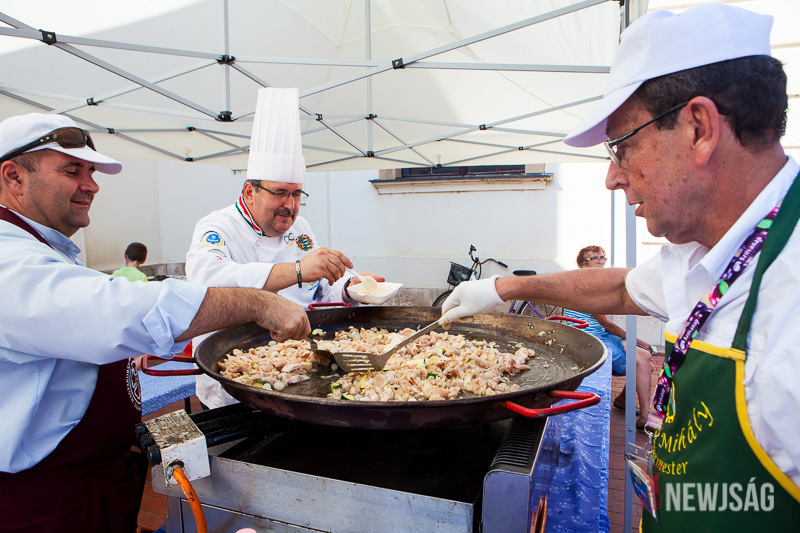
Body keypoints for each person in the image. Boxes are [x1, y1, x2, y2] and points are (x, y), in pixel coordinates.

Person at [440, 4, 800, 529]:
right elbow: (619, 288)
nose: (612, 177)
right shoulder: (713, 250)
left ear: (698, 128)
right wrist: (502, 287)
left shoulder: (789, 304)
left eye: (623, 147)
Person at [0, 112, 311, 533]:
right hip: (45, 499)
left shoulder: (45, 249)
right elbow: (118, 310)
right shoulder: (8, 257)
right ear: (14, 177)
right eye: (73, 171)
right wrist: (260, 303)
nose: (91, 186)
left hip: (93, 481)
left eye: (91, 172)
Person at [186, 87, 383, 409]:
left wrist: (349, 288)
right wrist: (298, 270)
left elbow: (320, 289)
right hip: (237, 375)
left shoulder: (299, 228)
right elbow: (209, 282)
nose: (290, 206)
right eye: (279, 193)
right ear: (249, 192)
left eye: (296, 194)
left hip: (301, 365)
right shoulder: (216, 227)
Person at [564, 245, 655, 430]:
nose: (600, 261)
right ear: (582, 264)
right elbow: (607, 324)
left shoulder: (595, 284)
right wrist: (639, 341)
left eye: (602, 257)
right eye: (594, 258)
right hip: (588, 340)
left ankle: (623, 400)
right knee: (643, 358)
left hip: (599, 335)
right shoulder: (587, 287)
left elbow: (606, 326)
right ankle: (645, 416)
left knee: (646, 362)